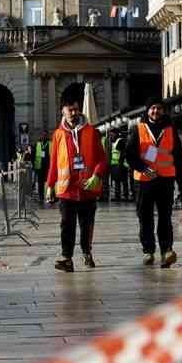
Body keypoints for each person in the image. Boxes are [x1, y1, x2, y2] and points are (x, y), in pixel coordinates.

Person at [46, 96, 106, 272]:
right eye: (69, 109)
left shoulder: (92, 131)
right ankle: (67, 258)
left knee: (86, 224)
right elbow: (54, 162)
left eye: (75, 109)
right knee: (66, 224)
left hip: (87, 187)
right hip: (66, 190)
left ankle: (87, 252)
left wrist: (97, 175)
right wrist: (50, 185)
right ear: (62, 111)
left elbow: (102, 159)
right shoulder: (58, 134)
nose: (73, 113)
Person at [125, 99, 182, 268]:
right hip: (144, 181)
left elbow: (179, 157)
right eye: (152, 108)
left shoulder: (170, 130)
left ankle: (167, 250)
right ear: (147, 110)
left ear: (163, 110)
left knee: (165, 217)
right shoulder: (138, 129)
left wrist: (181, 181)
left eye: (159, 108)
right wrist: (143, 168)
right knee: (145, 217)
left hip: (165, 180)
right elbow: (130, 155)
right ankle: (148, 250)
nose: (155, 111)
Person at [110, 128, 129, 201]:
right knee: (116, 181)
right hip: (115, 164)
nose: (111, 136)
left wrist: (120, 163)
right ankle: (117, 196)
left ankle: (125, 196)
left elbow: (123, 152)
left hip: (121, 164)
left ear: (116, 133)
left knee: (124, 180)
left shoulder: (121, 141)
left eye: (112, 134)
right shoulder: (114, 141)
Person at [32, 130, 51, 207]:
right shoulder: (37, 144)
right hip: (39, 167)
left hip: (48, 167)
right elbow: (33, 155)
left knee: (50, 183)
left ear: (47, 136)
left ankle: (50, 197)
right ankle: (41, 197)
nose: (44, 136)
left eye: (45, 135)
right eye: (42, 135)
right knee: (40, 183)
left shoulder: (51, 143)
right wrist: (34, 165)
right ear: (40, 136)